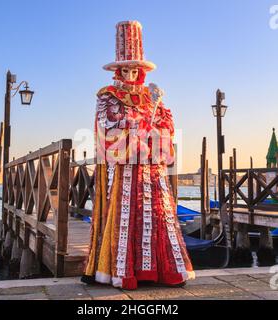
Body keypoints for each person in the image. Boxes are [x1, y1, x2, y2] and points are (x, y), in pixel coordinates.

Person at [81, 21, 195, 290]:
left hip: (151, 169)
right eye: (127, 70)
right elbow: (110, 124)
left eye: (136, 70)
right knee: (125, 213)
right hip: (125, 169)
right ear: (119, 71)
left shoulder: (151, 96)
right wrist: (145, 122)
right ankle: (123, 272)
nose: (131, 75)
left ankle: (164, 271)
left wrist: (153, 118)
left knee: (159, 214)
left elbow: (166, 126)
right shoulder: (107, 95)